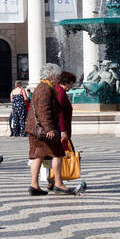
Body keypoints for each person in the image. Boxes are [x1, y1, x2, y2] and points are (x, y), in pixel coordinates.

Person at [26, 62, 75, 196]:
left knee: (38, 156)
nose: (58, 79)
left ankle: (34, 185)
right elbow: (44, 111)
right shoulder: (45, 89)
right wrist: (49, 129)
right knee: (58, 154)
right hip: (43, 131)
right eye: (57, 77)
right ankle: (58, 184)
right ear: (52, 76)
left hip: (36, 130)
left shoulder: (42, 87)